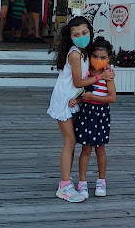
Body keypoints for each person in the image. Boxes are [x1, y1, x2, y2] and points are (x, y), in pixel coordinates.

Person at [47, 16, 114, 203]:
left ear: (90, 31)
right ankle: (64, 185)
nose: (81, 36)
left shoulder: (86, 51)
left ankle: (68, 181)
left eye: (84, 33)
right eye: (76, 34)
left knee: (74, 141)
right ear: (71, 36)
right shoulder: (75, 54)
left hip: (73, 100)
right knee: (70, 141)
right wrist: (101, 76)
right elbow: (78, 82)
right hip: (63, 101)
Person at [74, 37, 116, 199]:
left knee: (100, 149)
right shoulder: (86, 73)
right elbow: (82, 92)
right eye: (95, 57)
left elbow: (112, 98)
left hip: (101, 114)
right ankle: (82, 182)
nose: (98, 60)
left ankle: (101, 180)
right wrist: (77, 100)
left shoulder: (109, 74)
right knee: (85, 149)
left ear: (108, 59)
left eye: (103, 57)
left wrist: (93, 97)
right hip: (86, 114)